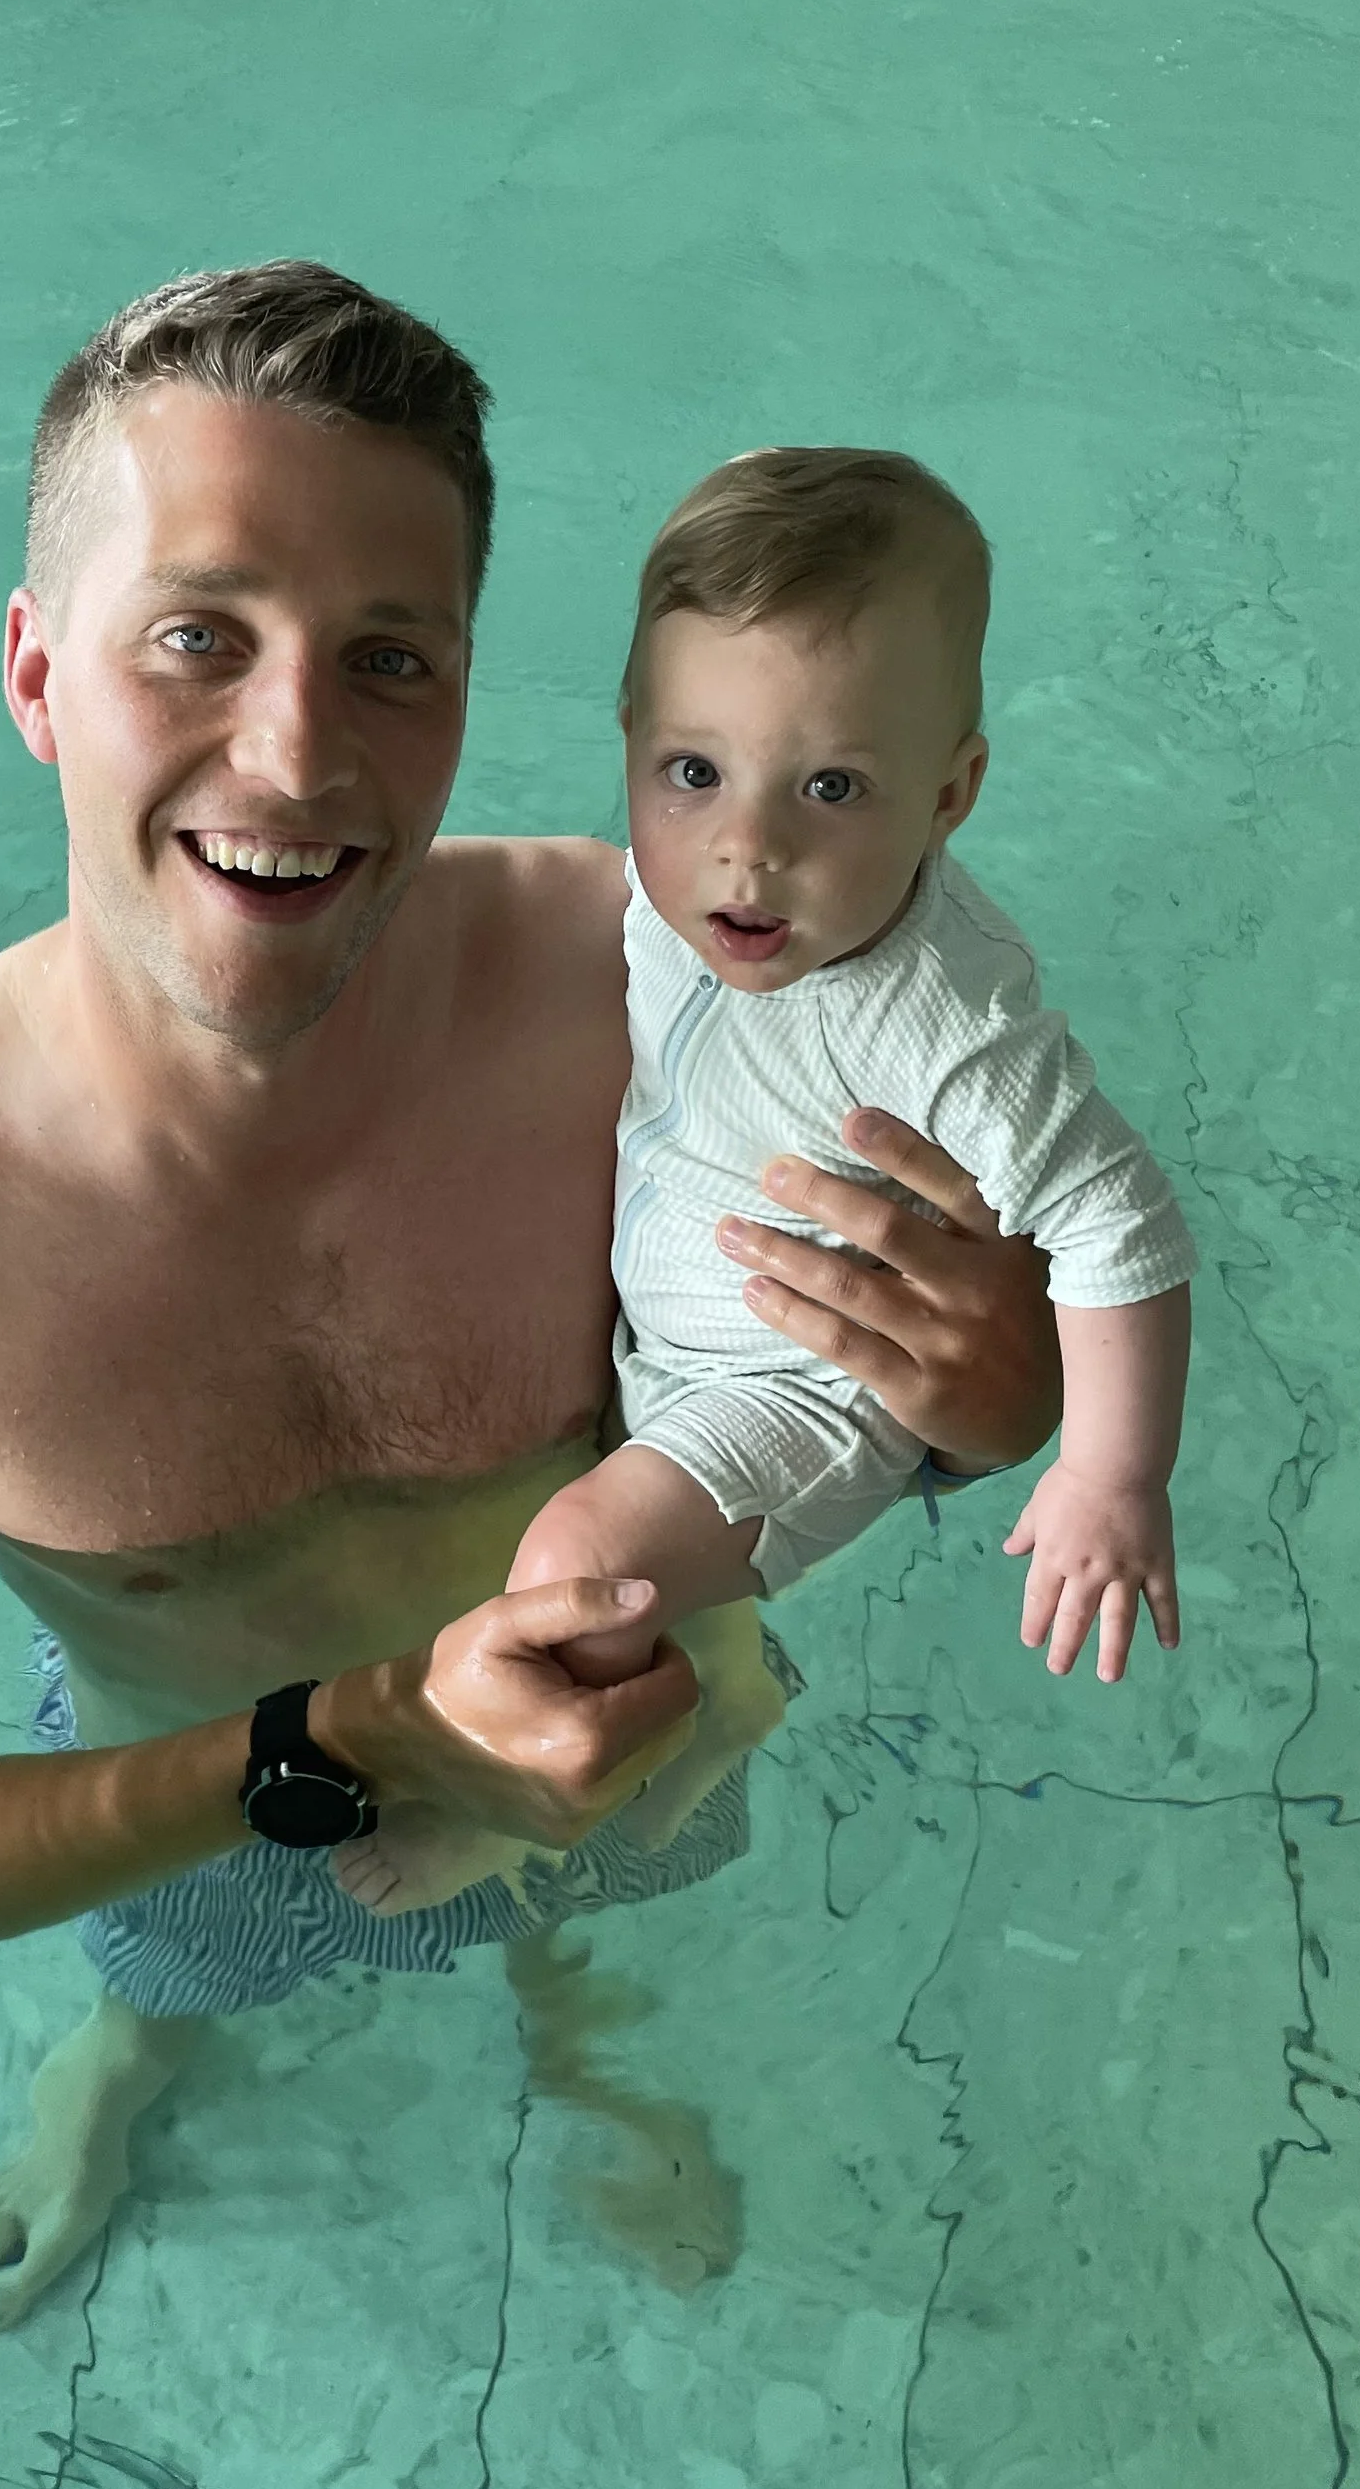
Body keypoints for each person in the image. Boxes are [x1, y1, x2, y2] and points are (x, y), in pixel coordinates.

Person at [0, 263, 1063, 2334]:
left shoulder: (658, 992)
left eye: (385, 657)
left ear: (469, 693)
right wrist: (350, 1738)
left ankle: (576, 2029)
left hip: (633, 1725)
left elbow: (868, 1401)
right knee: (170, 1973)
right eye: (194, 639)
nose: (297, 751)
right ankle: (129, 2057)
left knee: (587, 1920)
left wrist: (994, 1402)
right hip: (184, 1812)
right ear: (37, 676)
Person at [333, 449, 1194, 1919]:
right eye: (693, 771)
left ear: (952, 793)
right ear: (630, 744)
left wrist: (1110, 1474)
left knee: (579, 1558)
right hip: (680, 1329)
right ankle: (727, 1701)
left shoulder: (944, 1032)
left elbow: (1122, 1221)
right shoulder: (689, 894)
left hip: (799, 1390)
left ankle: (531, 1816)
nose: (751, 847)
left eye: (833, 787)